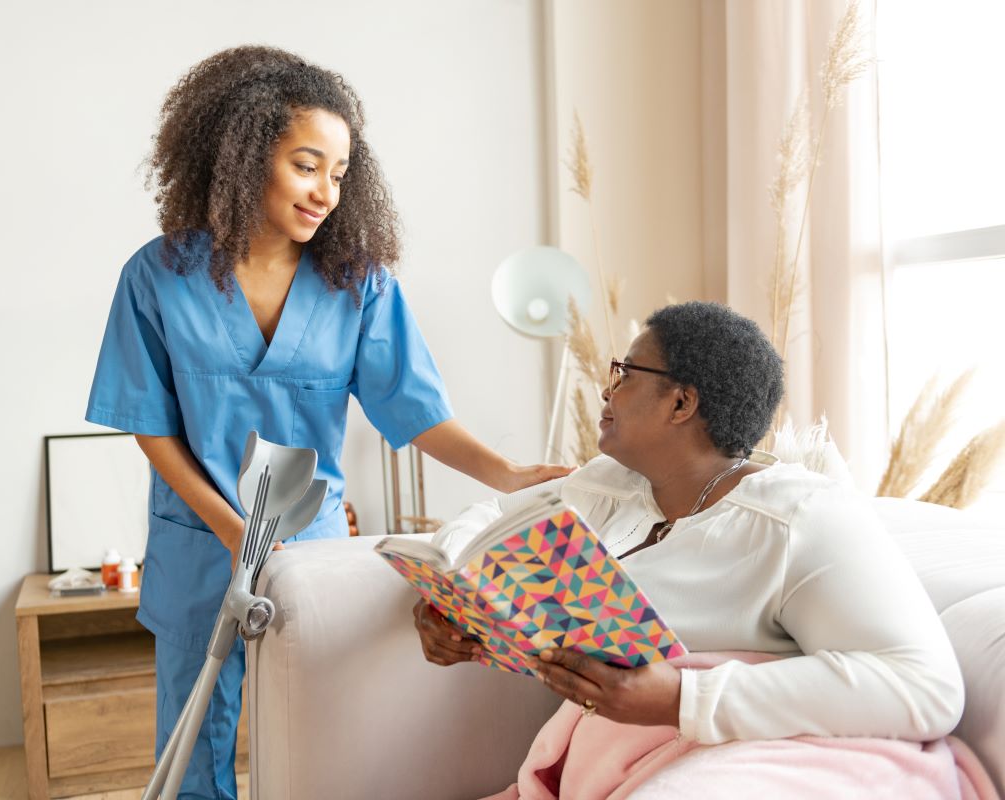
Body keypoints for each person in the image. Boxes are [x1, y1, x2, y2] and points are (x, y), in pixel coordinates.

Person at [86, 46, 568, 800]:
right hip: (198, 542)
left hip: (309, 555)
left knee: (314, 743)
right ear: (243, 157)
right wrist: (232, 532)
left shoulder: (359, 286)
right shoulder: (156, 276)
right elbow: (151, 426)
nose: (325, 193)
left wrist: (505, 474)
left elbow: (415, 410)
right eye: (307, 165)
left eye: (340, 175)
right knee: (193, 749)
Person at [414, 301, 967, 797]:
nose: (606, 391)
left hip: (738, 765)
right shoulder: (611, 484)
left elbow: (926, 686)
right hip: (612, 765)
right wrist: (454, 600)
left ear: (680, 402)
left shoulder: (797, 518)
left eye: (624, 374)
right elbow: (488, 520)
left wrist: (682, 698)